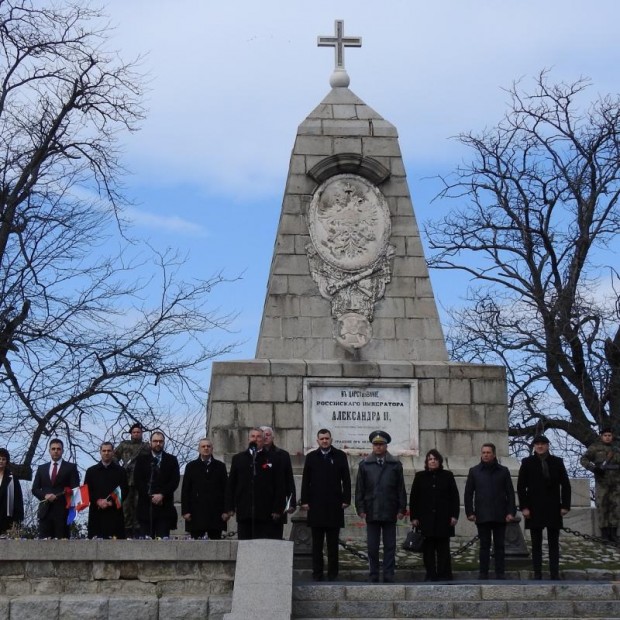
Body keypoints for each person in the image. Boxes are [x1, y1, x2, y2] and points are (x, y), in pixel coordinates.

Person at [355, 430, 407, 583]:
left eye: (381, 444)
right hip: (372, 510)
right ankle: (373, 574)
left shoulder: (395, 465)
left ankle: (389, 573)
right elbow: (360, 489)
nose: (378, 447)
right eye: (375, 444)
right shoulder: (364, 465)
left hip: (390, 510)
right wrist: (361, 509)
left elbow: (400, 489)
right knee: (372, 546)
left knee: (390, 545)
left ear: (386, 446)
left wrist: (401, 509)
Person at [300, 428, 351, 582]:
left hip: (334, 506)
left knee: (332, 544)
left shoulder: (340, 456)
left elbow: (346, 480)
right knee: (316, 544)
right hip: (316, 506)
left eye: (327, 438)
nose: (324, 441)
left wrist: (346, 499)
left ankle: (333, 574)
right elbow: (305, 481)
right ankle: (317, 574)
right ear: (317, 441)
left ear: (331, 439)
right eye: (321, 439)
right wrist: (305, 501)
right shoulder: (311, 457)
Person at [518, 434, 571, 580]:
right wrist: (524, 507)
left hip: (553, 507)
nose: (540, 446)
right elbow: (521, 487)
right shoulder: (527, 462)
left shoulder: (557, 462)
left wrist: (565, 505)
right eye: (537, 444)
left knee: (554, 543)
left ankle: (554, 573)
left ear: (547, 445)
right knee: (536, 543)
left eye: (543, 444)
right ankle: (537, 572)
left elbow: (565, 485)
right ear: (534, 446)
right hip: (534, 508)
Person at [464, 442, 516, 579]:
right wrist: (470, 512)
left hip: (500, 514)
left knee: (500, 546)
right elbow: (468, 493)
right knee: (484, 546)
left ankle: (500, 573)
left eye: (488, 452)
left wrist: (511, 512)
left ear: (493, 454)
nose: (486, 455)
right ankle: (483, 572)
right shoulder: (474, 471)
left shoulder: (503, 471)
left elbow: (510, 493)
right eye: (483, 452)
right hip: (482, 514)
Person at [224, 427, 285, 540]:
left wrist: (277, 508)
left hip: (265, 512)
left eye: (258, 437)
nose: (255, 439)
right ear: (248, 439)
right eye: (253, 436)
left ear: (263, 439)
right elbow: (232, 484)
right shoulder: (238, 459)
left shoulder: (274, 458)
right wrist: (229, 506)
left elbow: (279, 485)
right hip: (245, 510)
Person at [409, 449, 460, 582]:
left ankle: (445, 574)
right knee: (428, 550)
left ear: (439, 461)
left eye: (435, 459)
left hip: (444, 518)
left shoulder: (448, 476)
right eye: (430, 459)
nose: (432, 461)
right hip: (425, 520)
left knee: (443, 548)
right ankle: (430, 574)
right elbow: (414, 498)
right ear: (426, 462)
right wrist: (414, 517)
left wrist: (455, 516)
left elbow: (454, 497)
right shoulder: (420, 476)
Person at [133, 431, 180, 538]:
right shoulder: (141, 460)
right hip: (146, 509)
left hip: (164, 509)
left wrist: (162, 494)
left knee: (163, 544)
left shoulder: (172, 460)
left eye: (160, 441)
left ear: (164, 443)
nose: (158, 444)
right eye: (155, 441)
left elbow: (174, 481)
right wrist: (150, 496)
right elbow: (138, 481)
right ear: (150, 443)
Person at [32, 438, 80, 538]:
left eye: (58, 449)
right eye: (53, 449)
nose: (56, 451)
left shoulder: (71, 468)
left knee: (62, 546)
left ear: (62, 450)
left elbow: (75, 490)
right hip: (45, 512)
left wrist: (59, 496)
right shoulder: (42, 468)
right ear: (49, 450)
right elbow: (35, 489)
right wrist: (45, 495)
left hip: (63, 513)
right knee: (43, 546)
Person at [182, 438, 229, 539]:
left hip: (216, 513)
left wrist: (226, 510)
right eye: (203, 446)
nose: (206, 448)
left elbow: (226, 489)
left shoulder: (220, 467)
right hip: (196, 513)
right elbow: (186, 490)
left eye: (208, 446)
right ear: (199, 449)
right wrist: (185, 511)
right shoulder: (191, 466)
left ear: (212, 449)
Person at [580, 427, 620, 541]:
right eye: (605, 435)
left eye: (609, 435)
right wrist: (593, 469)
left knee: (616, 506)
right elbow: (584, 459)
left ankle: (613, 532)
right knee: (602, 505)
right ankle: (605, 533)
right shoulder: (595, 448)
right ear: (601, 436)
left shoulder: (617, 448)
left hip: (617, 482)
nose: (607, 437)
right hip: (602, 481)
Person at [84, 442, 128, 538]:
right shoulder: (91, 471)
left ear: (113, 452)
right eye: (104, 451)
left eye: (109, 450)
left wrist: (110, 502)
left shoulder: (121, 471)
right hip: (96, 513)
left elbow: (124, 490)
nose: (106, 453)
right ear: (100, 452)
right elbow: (86, 491)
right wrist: (97, 501)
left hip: (115, 514)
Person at [114, 422, 150, 537]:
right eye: (134, 432)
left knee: (138, 506)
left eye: (138, 432)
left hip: (140, 481)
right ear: (130, 433)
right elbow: (114, 456)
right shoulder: (124, 445)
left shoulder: (146, 447)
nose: (136, 434)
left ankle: (138, 530)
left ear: (142, 433)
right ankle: (127, 530)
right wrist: (119, 469)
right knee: (126, 507)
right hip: (126, 479)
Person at [261, 425, 297, 539]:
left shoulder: (283, 455)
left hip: (277, 505)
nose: (265, 437)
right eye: (263, 435)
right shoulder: (254, 455)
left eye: (268, 435)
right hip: (258, 508)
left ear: (273, 437)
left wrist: (291, 503)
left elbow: (289, 480)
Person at [0, 448, 24, 535]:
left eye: (3, 459)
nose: (1, 461)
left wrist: (17, 519)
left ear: (6, 461)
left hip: (6, 518)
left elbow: (18, 499)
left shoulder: (12, 479)